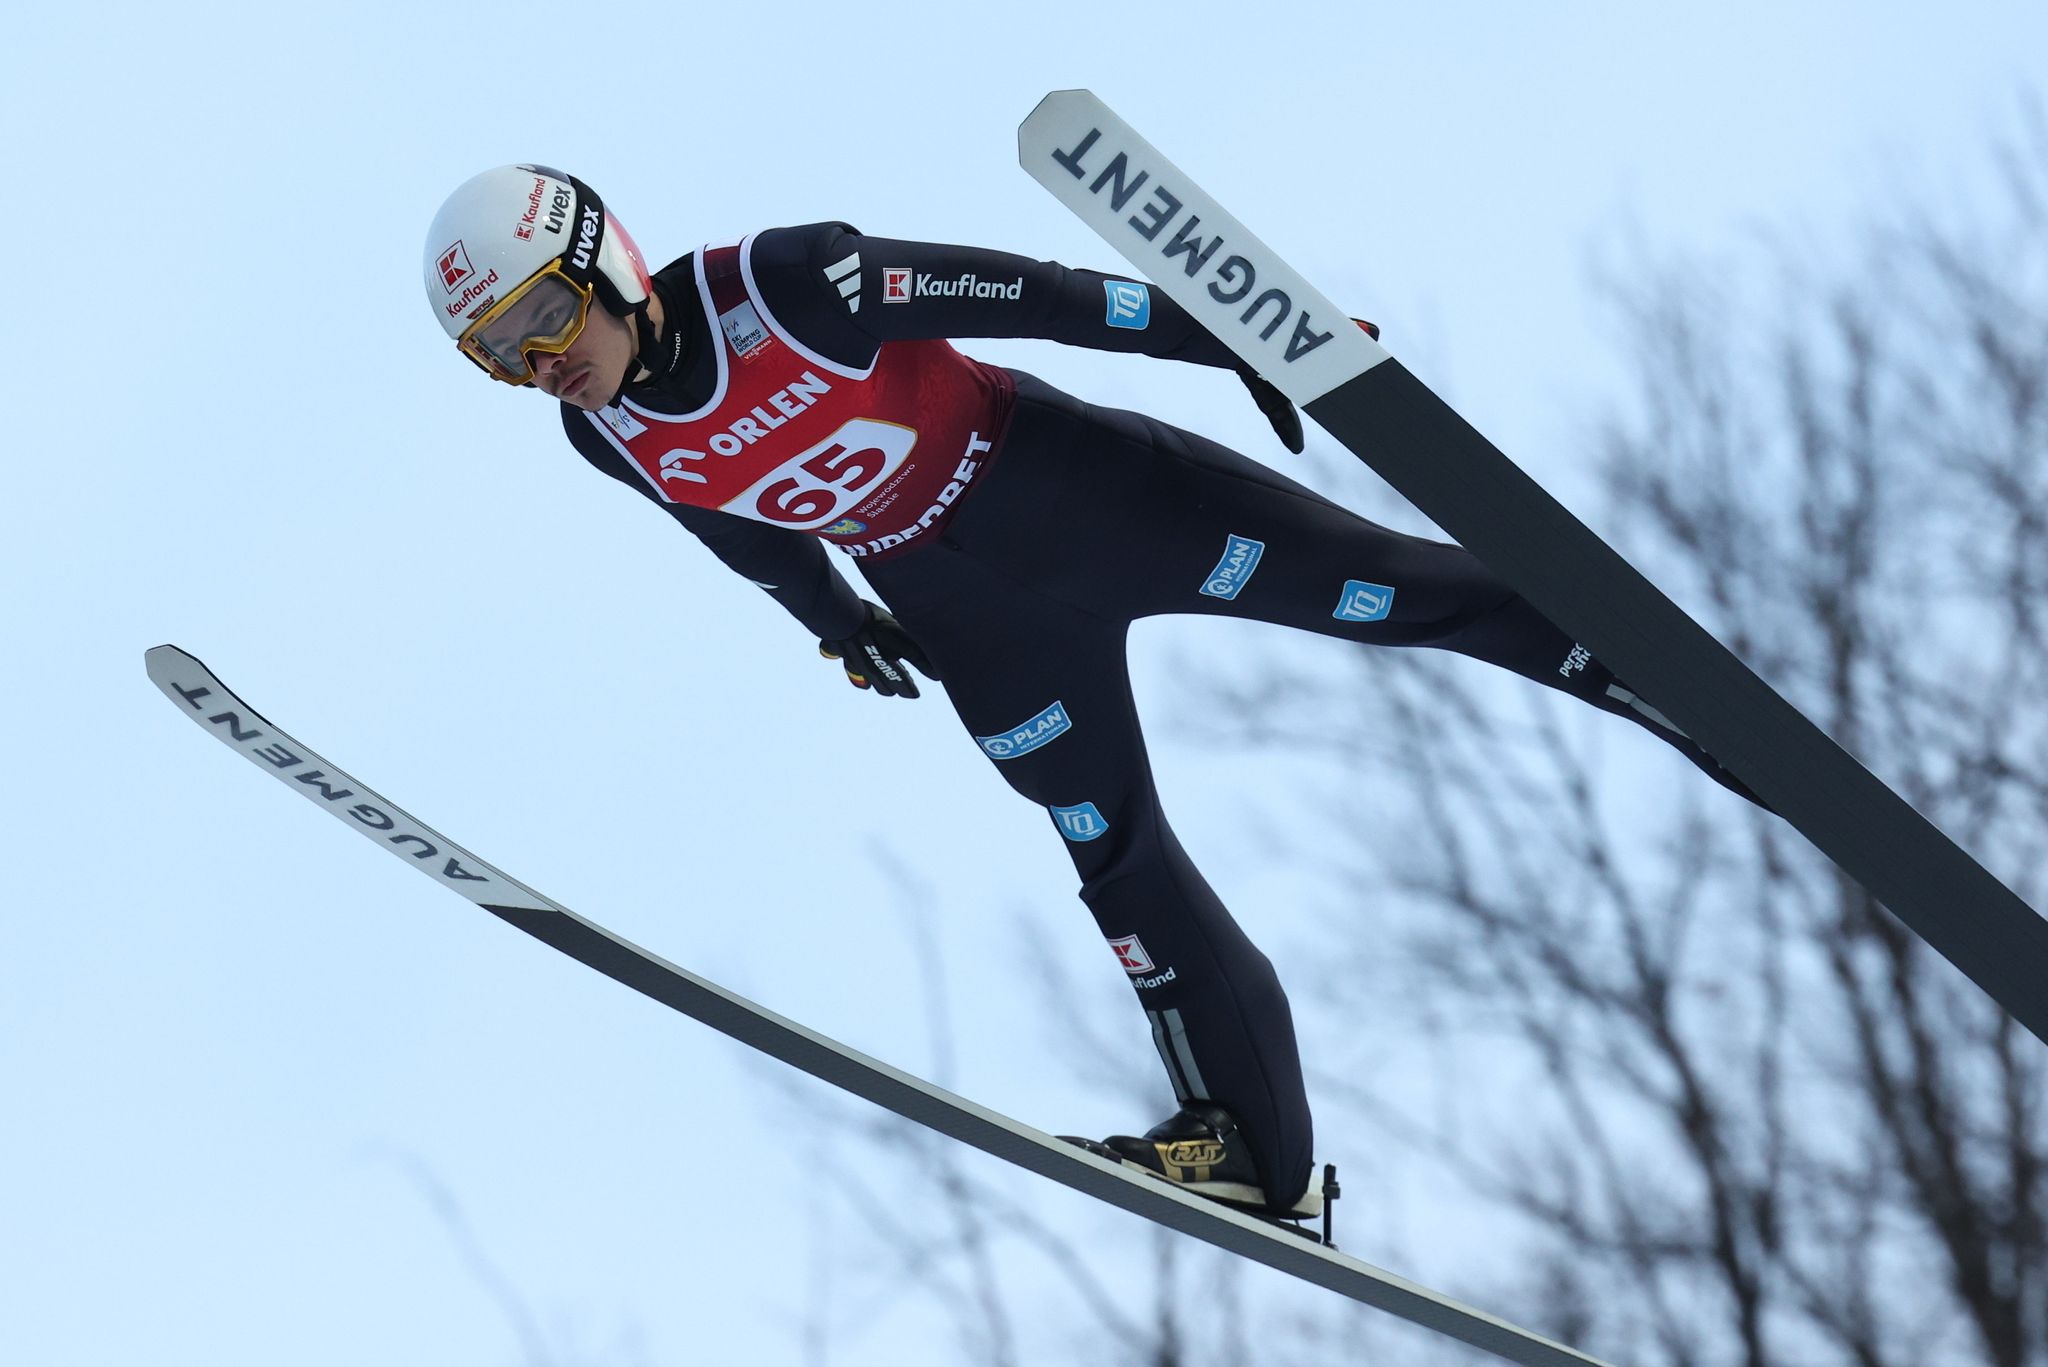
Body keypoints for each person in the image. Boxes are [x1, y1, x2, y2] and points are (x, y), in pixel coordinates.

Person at [422, 164, 1761, 1220]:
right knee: (1112, 858)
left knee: (1391, 591)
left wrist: (1238, 338)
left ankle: (1647, 678)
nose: (542, 359)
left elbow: (1047, 298)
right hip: (975, 625)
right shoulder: (603, 436)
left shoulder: (789, 283)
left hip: (1093, 500)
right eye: (499, 354)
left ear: (606, 260)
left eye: (542, 313)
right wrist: (839, 623)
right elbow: (741, 529)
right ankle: (1255, 1150)